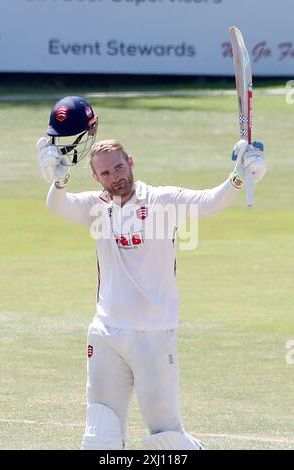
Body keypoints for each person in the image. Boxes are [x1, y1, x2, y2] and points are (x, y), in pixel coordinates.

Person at [37, 96, 266, 450]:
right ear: (96, 177)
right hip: (106, 333)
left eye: (119, 167)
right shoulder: (93, 207)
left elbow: (210, 202)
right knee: (100, 437)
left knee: (167, 438)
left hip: (154, 335)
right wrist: (59, 179)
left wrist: (238, 177)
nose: (116, 177)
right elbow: (56, 205)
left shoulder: (163, 200)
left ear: (130, 162)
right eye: (106, 173)